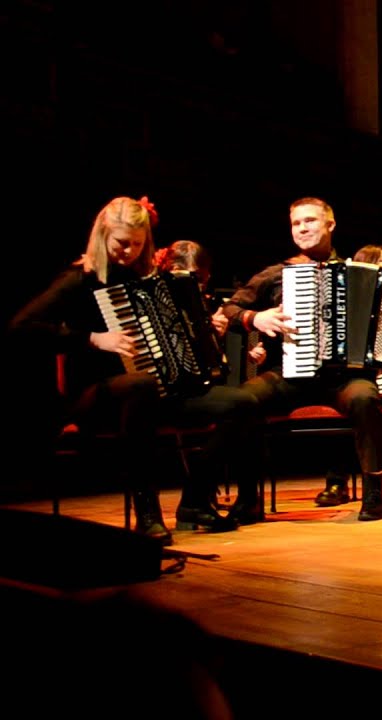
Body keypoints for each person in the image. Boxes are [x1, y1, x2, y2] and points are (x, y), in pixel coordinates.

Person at [11, 197, 263, 544]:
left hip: (154, 393)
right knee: (140, 385)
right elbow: (22, 327)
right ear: (102, 236)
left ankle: (194, 499)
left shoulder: (149, 279)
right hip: (94, 396)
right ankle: (148, 512)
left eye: (136, 244)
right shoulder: (80, 279)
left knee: (244, 403)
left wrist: (204, 329)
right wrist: (93, 338)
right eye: (120, 243)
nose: (127, 251)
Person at [221, 198, 382, 521]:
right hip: (290, 373)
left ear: (330, 225)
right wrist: (256, 318)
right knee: (242, 400)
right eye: (296, 223)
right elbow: (230, 310)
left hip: (344, 376)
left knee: (365, 398)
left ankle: (374, 494)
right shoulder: (276, 274)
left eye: (310, 221)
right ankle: (249, 497)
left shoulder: (361, 274)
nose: (303, 228)